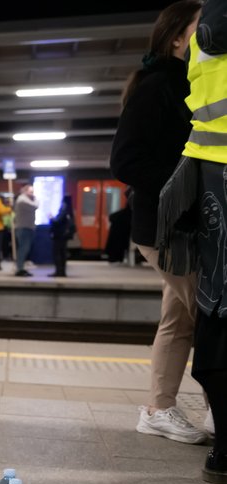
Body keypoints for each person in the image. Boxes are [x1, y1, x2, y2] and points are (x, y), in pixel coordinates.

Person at [111, 0, 210, 446]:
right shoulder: (158, 86)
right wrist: (185, 186)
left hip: (185, 226)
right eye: (200, 27)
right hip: (170, 229)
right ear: (176, 38)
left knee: (180, 319)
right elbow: (126, 160)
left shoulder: (192, 82)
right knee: (212, 315)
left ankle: (161, 409)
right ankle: (212, 409)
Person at [158, 0, 227, 483]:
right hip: (207, 174)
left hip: (208, 174)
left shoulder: (210, 25)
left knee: (213, 307)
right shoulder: (155, 85)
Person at [13, 184, 39, 277]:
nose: (32, 194)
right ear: (25, 191)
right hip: (23, 228)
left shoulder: (24, 199)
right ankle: (19, 268)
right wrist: (36, 199)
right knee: (23, 249)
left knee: (25, 249)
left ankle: (21, 268)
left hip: (28, 227)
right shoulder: (22, 200)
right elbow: (35, 206)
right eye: (30, 192)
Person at [49, 194, 76, 277]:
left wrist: (51, 218)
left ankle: (59, 272)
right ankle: (62, 272)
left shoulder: (64, 208)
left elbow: (57, 221)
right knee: (63, 253)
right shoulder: (69, 210)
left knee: (57, 253)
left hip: (59, 235)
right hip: (64, 235)